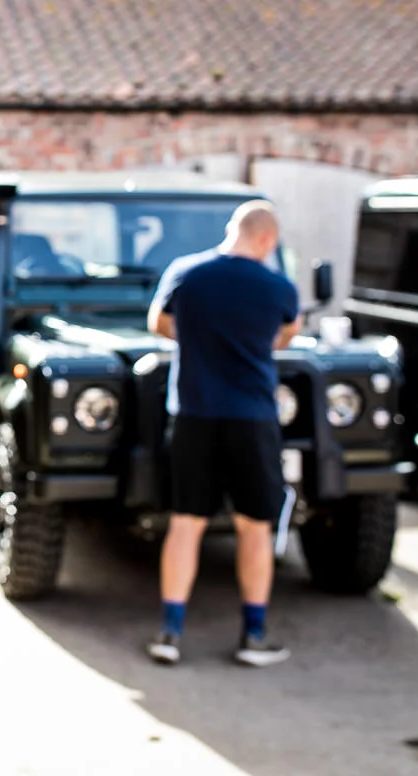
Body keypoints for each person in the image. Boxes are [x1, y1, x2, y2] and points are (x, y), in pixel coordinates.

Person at [144, 200, 301, 667]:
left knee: (186, 523)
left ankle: (169, 633)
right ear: (267, 240)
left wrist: (198, 339)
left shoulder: (186, 272)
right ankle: (253, 636)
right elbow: (287, 333)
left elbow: (158, 323)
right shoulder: (278, 287)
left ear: (232, 230)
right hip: (252, 417)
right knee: (253, 527)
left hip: (193, 413)